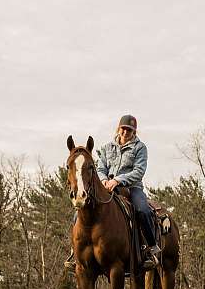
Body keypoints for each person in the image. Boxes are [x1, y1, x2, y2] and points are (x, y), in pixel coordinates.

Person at [65, 114, 160, 270]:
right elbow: (100, 167)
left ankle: (150, 248)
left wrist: (118, 180)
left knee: (142, 210)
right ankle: (75, 252)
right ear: (119, 128)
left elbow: (139, 170)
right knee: (79, 212)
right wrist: (103, 180)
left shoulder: (140, 148)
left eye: (129, 130)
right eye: (123, 128)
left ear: (134, 131)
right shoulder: (108, 147)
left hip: (131, 188)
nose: (126, 132)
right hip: (107, 187)